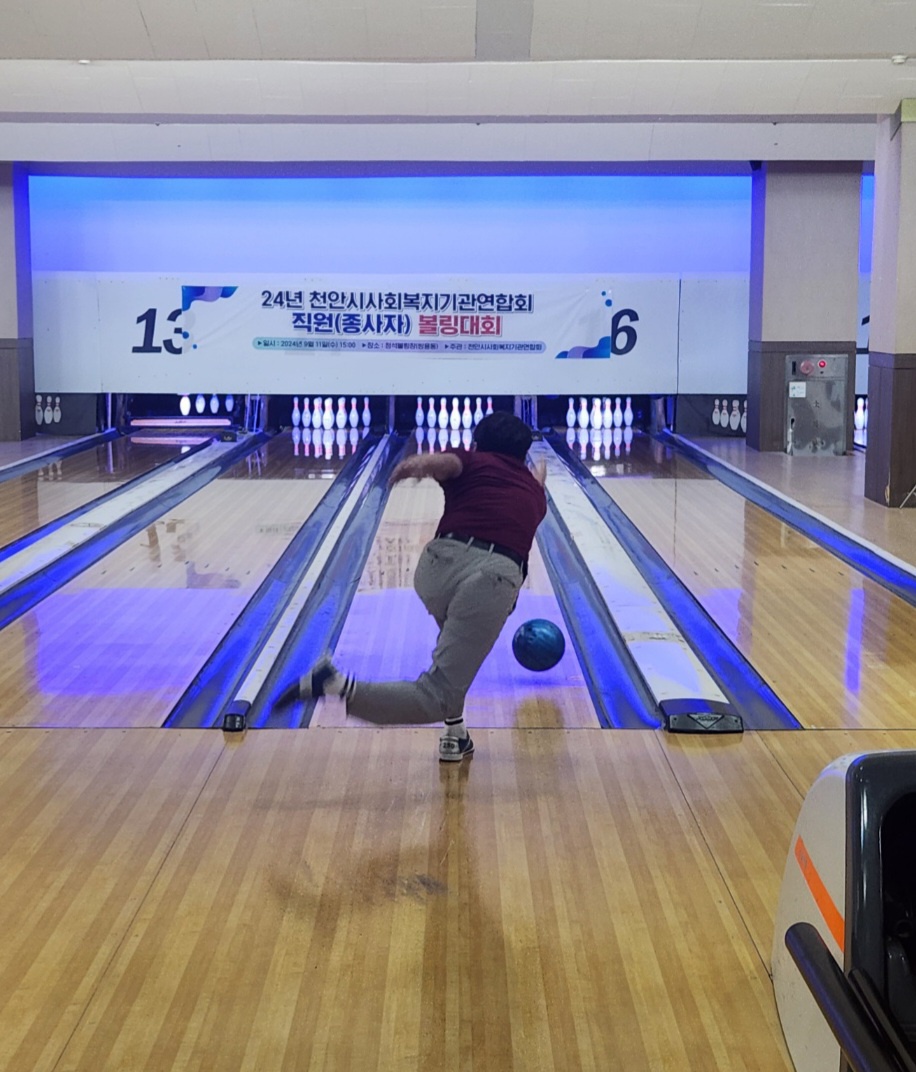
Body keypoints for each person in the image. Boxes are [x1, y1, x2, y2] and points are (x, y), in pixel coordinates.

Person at [277, 411, 548, 761]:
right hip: (488, 580)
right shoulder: (533, 491)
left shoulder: (473, 460)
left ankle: (455, 733)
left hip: (435, 570)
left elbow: (449, 463)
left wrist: (420, 463)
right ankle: (334, 685)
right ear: (522, 455)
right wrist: (538, 477)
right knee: (438, 694)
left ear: (477, 443)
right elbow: (527, 485)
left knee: (453, 658)